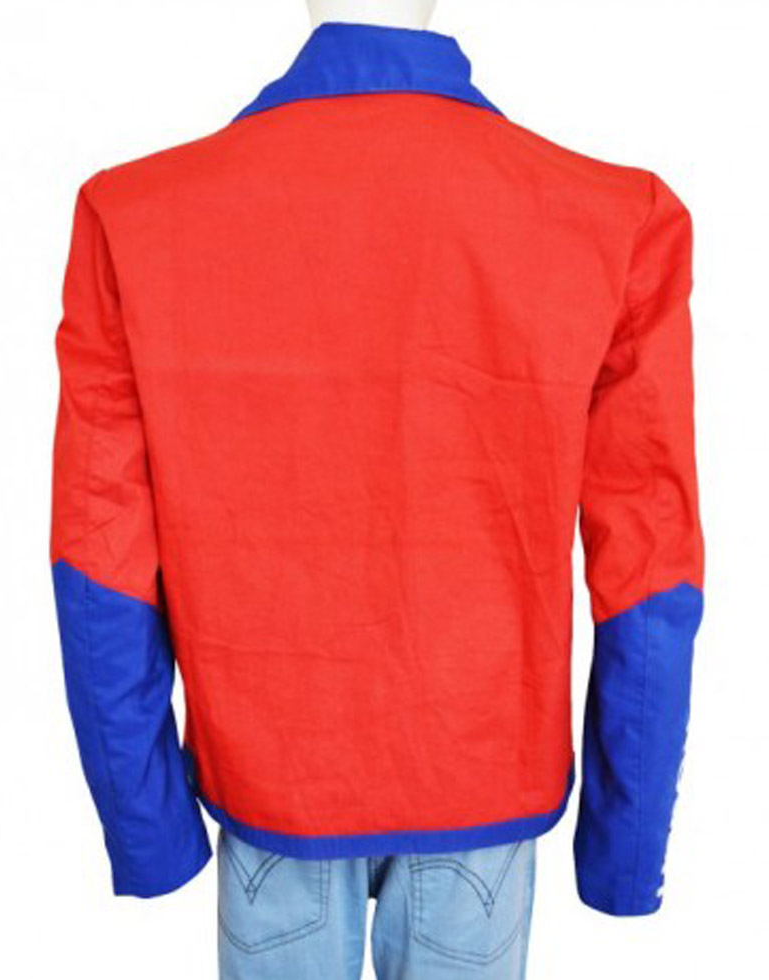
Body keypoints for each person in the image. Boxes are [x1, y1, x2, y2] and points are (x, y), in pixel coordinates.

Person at [48, 2, 705, 978]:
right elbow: (650, 565)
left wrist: (148, 824)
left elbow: (96, 556)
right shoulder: (610, 219)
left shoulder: (137, 214)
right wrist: (623, 845)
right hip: (481, 779)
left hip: (273, 782)